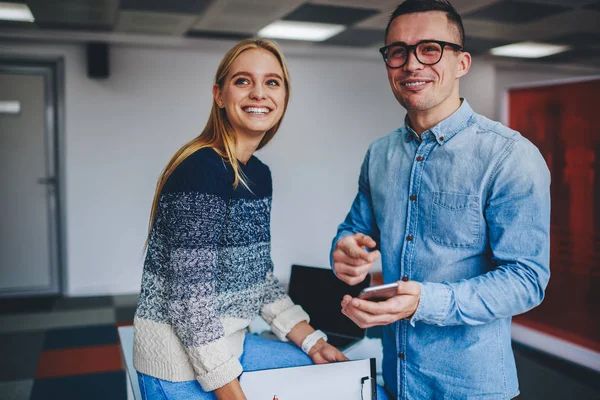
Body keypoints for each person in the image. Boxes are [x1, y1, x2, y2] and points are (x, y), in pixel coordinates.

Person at [331, 1, 551, 399]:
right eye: (398, 51)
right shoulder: (379, 154)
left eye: (429, 49)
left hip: (471, 387)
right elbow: (355, 230)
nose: (412, 64)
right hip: (396, 380)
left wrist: (424, 302)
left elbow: (527, 280)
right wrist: (345, 248)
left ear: (462, 63)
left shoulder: (510, 156)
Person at [133, 39, 352, 400]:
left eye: (272, 82)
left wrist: (312, 341)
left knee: (335, 379)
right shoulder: (201, 171)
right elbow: (190, 304)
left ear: (283, 97)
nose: (258, 93)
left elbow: (259, 279)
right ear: (219, 95)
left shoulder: (258, 174)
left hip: (231, 347)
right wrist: (233, 393)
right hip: (179, 367)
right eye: (243, 81)